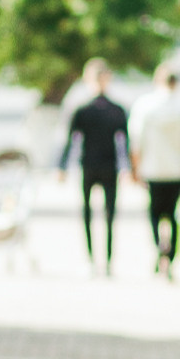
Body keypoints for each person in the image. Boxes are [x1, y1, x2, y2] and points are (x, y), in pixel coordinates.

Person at [59, 60, 132, 271]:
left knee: (110, 215)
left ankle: (108, 260)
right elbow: (70, 140)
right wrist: (61, 167)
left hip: (110, 167)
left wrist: (127, 167)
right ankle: (91, 259)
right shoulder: (82, 109)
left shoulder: (117, 110)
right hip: (88, 166)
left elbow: (125, 142)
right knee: (87, 213)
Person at [129, 62, 180, 274]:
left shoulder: (145, 106)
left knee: (154, 213)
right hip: (176, 171)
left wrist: (135, 170)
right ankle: (171, 256)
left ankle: (158, 246)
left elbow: (136, 143)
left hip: (153, 170)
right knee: (174, 215)